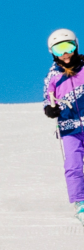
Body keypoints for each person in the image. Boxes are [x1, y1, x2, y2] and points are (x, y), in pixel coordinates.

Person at [44, 29, 84, 224]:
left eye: (69, 47)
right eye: (60, 50)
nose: (65, 54)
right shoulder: (52, 76)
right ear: (53, 53)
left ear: (76, 46)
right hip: (69, 128)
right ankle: (80, 202)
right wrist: (49, 109)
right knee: (73, 165)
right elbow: (47, 97)